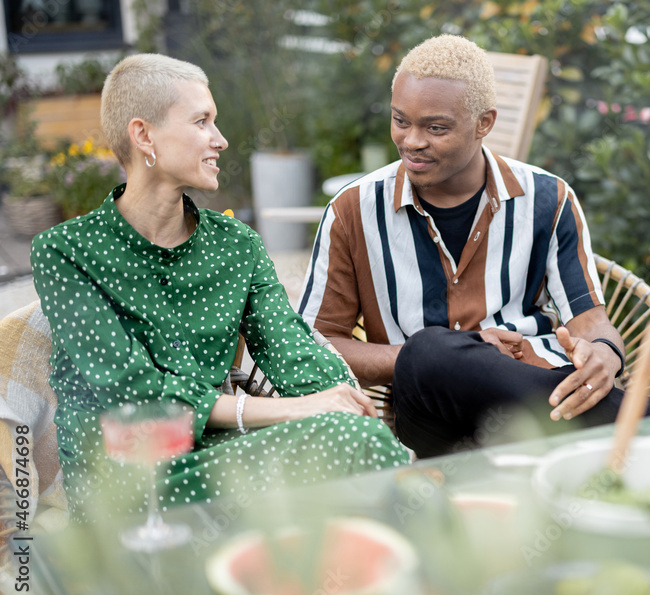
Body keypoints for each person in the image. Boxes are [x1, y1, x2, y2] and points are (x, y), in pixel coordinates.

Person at [30, 54, 408, 522]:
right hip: (126, 486)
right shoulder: (66, 252)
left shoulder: (236, 246)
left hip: (224, 459)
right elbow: (137, 397)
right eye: (201, 121)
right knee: (353, 453)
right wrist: (291, 412)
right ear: (143, 135)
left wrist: (340, 400)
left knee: (361, 441)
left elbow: (295, 356)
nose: (220, 139)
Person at [298, 35, 650, 459]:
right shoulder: (352, 211)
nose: (412, 141)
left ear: (484, 123)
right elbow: (318, 342)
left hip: (538, 399)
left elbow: (590, 320)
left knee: (531, 405)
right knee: (429, 351)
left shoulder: (548, 198)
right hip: (430, 412)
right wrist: (448, 354)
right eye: (400, 121)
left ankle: (612, 429)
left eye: (435, 128)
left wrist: (604, 354)